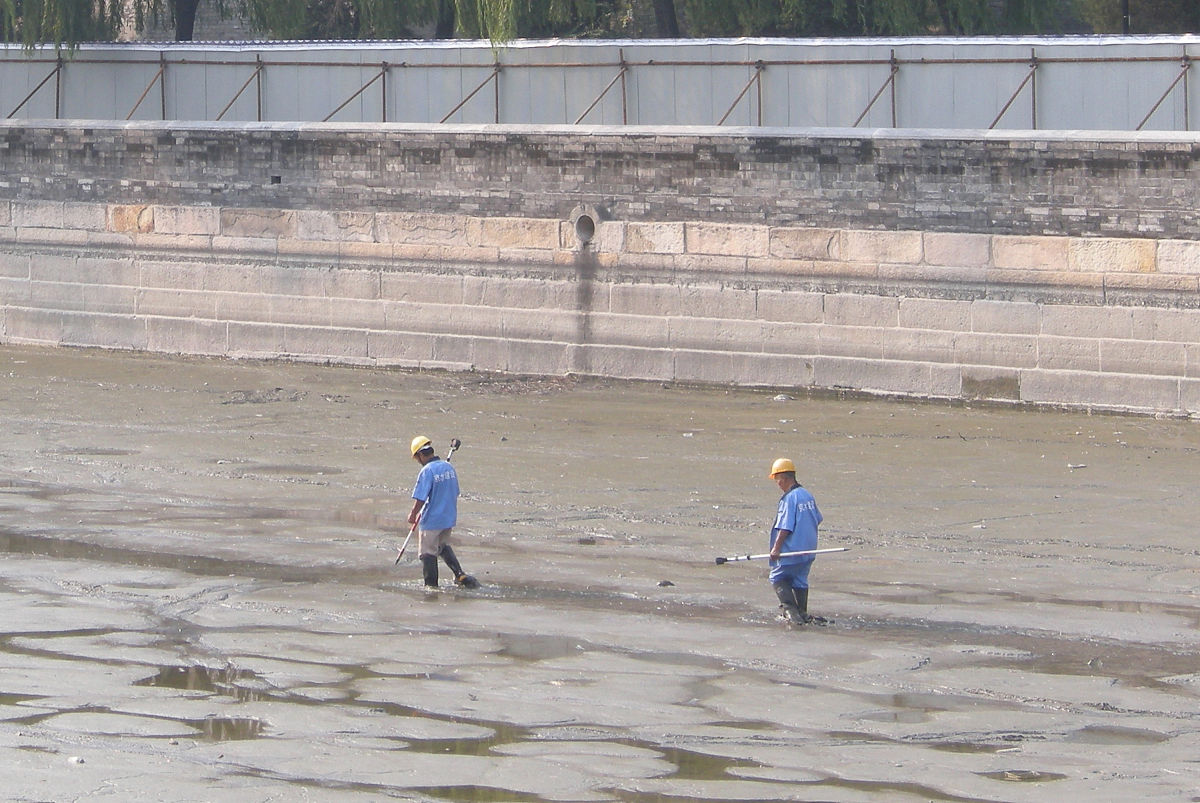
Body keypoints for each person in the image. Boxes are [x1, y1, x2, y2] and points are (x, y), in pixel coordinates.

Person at [408, 435, 478, 589]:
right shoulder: (448, 468)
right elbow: (455, 492)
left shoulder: (427, 471)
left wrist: (413, 514)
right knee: (441, 546)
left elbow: (420, 497)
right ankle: (459, 574)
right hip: (448, 517)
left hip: (432, 520)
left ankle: (431, 586)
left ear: (420, 455)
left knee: (427, 553)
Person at [767, 457, 823, 625]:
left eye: (777, 479)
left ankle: (792, 615)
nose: (777, 483)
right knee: (799, 579)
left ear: (784, 477)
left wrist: (776, 549)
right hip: (809, 550)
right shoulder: (807, 495)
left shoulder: (789, 499)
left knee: (777, 577)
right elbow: (818, 519)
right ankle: (803, 614)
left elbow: (785, 526)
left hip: (791, 551)